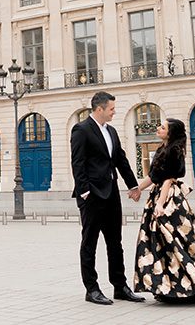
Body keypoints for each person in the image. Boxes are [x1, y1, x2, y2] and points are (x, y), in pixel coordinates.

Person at [70, 91, 144, 305]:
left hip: (111, 194)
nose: (114, 112)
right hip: (92, 195)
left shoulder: (111, 131)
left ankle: (120, 287)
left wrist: (133, 185)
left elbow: (120, 159)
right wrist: (85, 192)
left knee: (115, 243)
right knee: (89, 243)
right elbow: (78, 163)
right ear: (99, 109)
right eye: (111, 109)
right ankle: (91, 289)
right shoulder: (81, 129)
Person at [133, 118, 195, 304]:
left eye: (162, 127)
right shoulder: (162, 149)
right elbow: (154, 177)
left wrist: (160, 205)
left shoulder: (174, 150)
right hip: (159, 194)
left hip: (169, 198)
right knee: (162, 241)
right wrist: (138, 189)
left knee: (172, 239)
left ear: (170, 132)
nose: (158, 128)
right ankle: (167, 285)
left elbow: (168, 179)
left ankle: (187, 284)